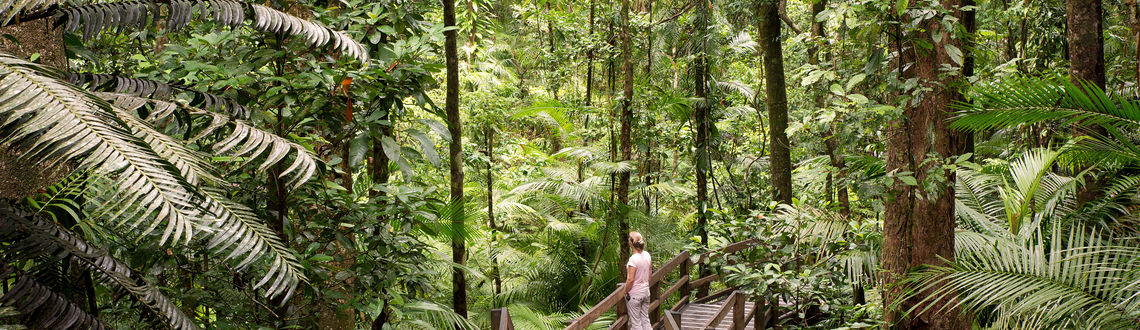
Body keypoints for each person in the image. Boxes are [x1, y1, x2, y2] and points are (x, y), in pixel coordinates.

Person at [623, 231, 652, 330]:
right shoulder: (647, 255)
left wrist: (625, 291)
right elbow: (649, 271)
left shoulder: (633, 259)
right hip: (646, 291)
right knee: (645, 319)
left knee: (636, 324)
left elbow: (630, 279)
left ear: (631, 243)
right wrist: (646, 284)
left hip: (635, 294)